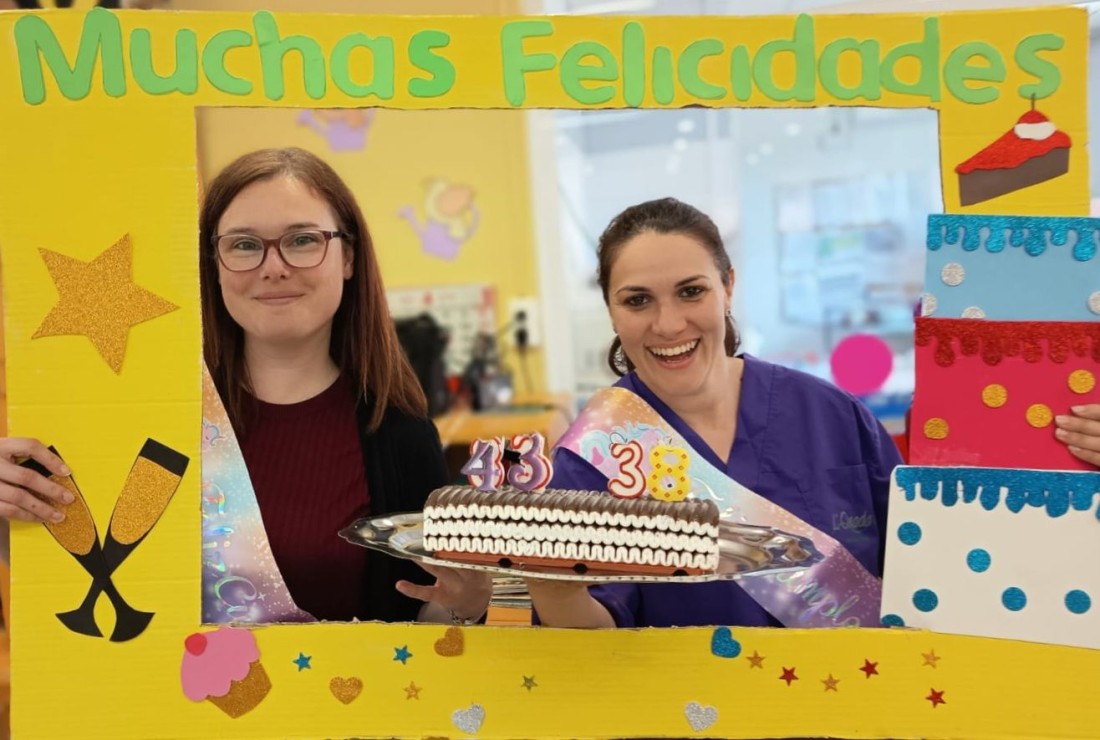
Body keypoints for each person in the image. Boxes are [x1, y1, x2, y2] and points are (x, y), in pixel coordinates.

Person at [526, 197, 1100, 630]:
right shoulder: (591, 458)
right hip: (691, 719)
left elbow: (954, 557)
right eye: (637, 300)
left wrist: (1072, 468)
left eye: (691, 291)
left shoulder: (833, 417)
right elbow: (595, 637)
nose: (669, 323)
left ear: (728, 286)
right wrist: (550, 591)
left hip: (856, 716)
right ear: (611, 311)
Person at [0, 147, 491, 625]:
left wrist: (466, 604)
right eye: (244, 245)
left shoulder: (401, 435)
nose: (273, 266)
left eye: (303, 239)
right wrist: (9, 515)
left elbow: (426, 622)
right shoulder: (149, 415)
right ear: (212, 265)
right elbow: (71, 579)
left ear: (347, 257)